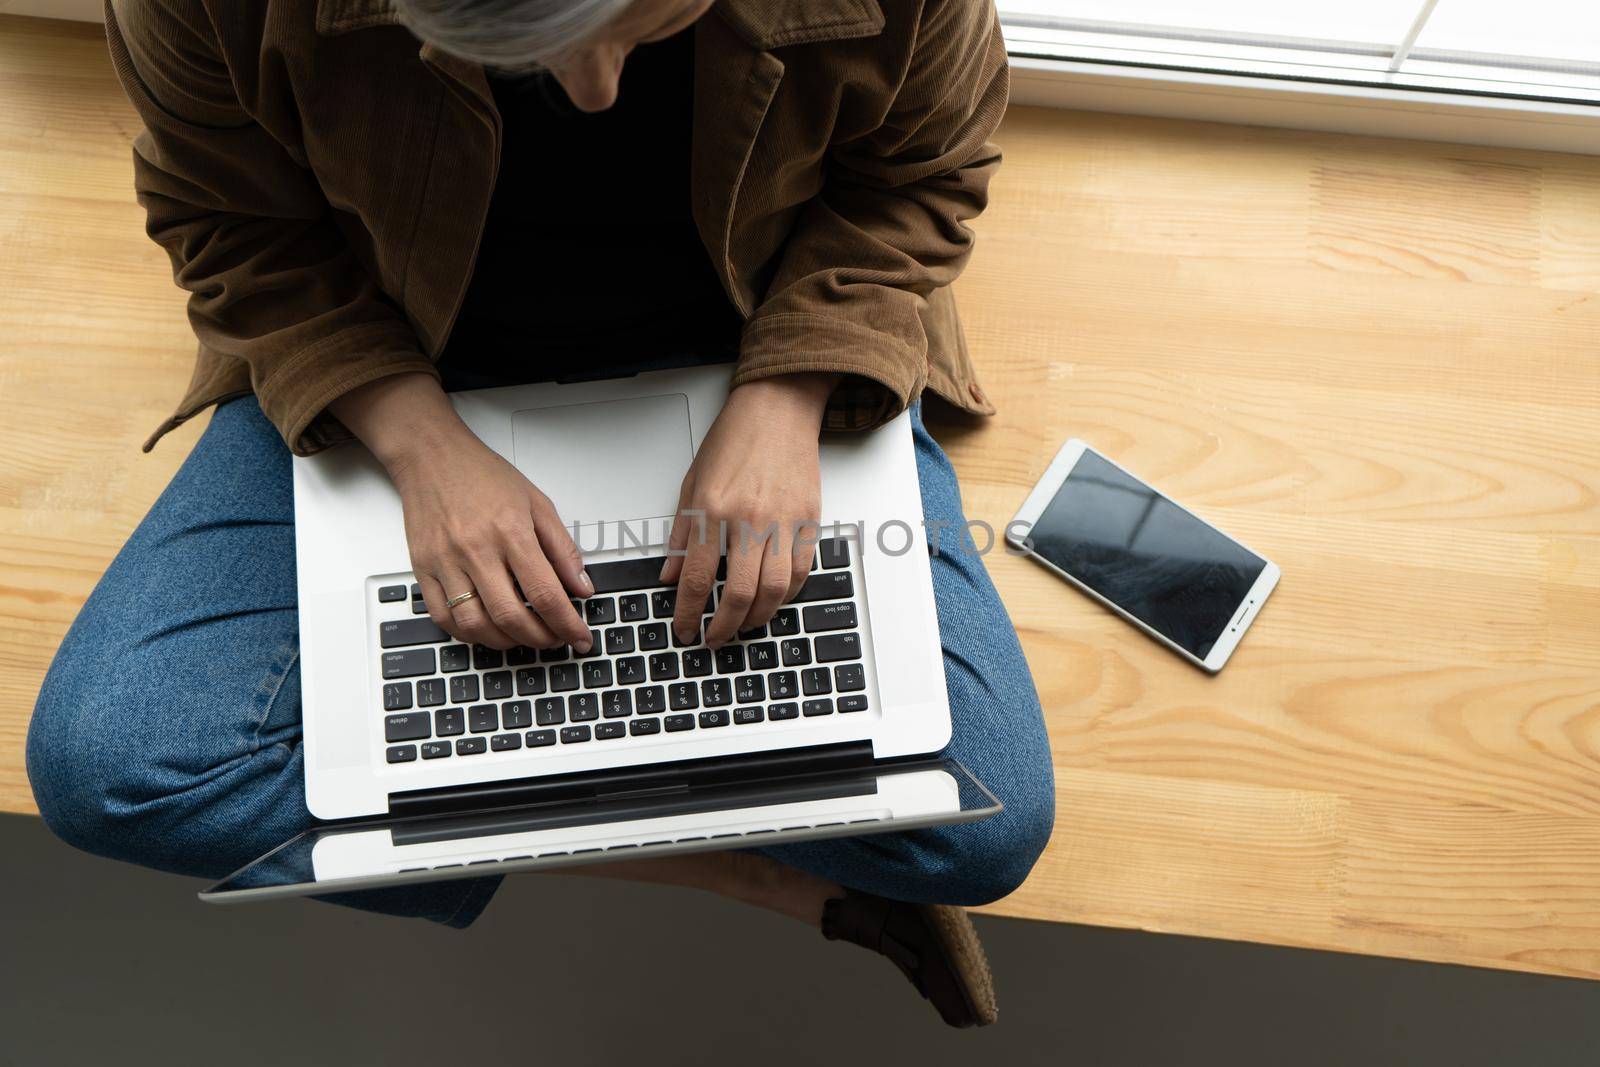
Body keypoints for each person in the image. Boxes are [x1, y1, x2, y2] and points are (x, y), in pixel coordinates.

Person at [27, 0, 1054, 1028]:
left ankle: (705, 822)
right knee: (111, 769)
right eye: (513, 51)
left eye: (646, 17)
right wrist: (417, 443)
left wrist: (788, 394)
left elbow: (922, 177)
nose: (596, 91)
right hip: (389, 345)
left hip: (772, 325)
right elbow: (233, 227)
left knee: (978, 826)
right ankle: (755, 870)